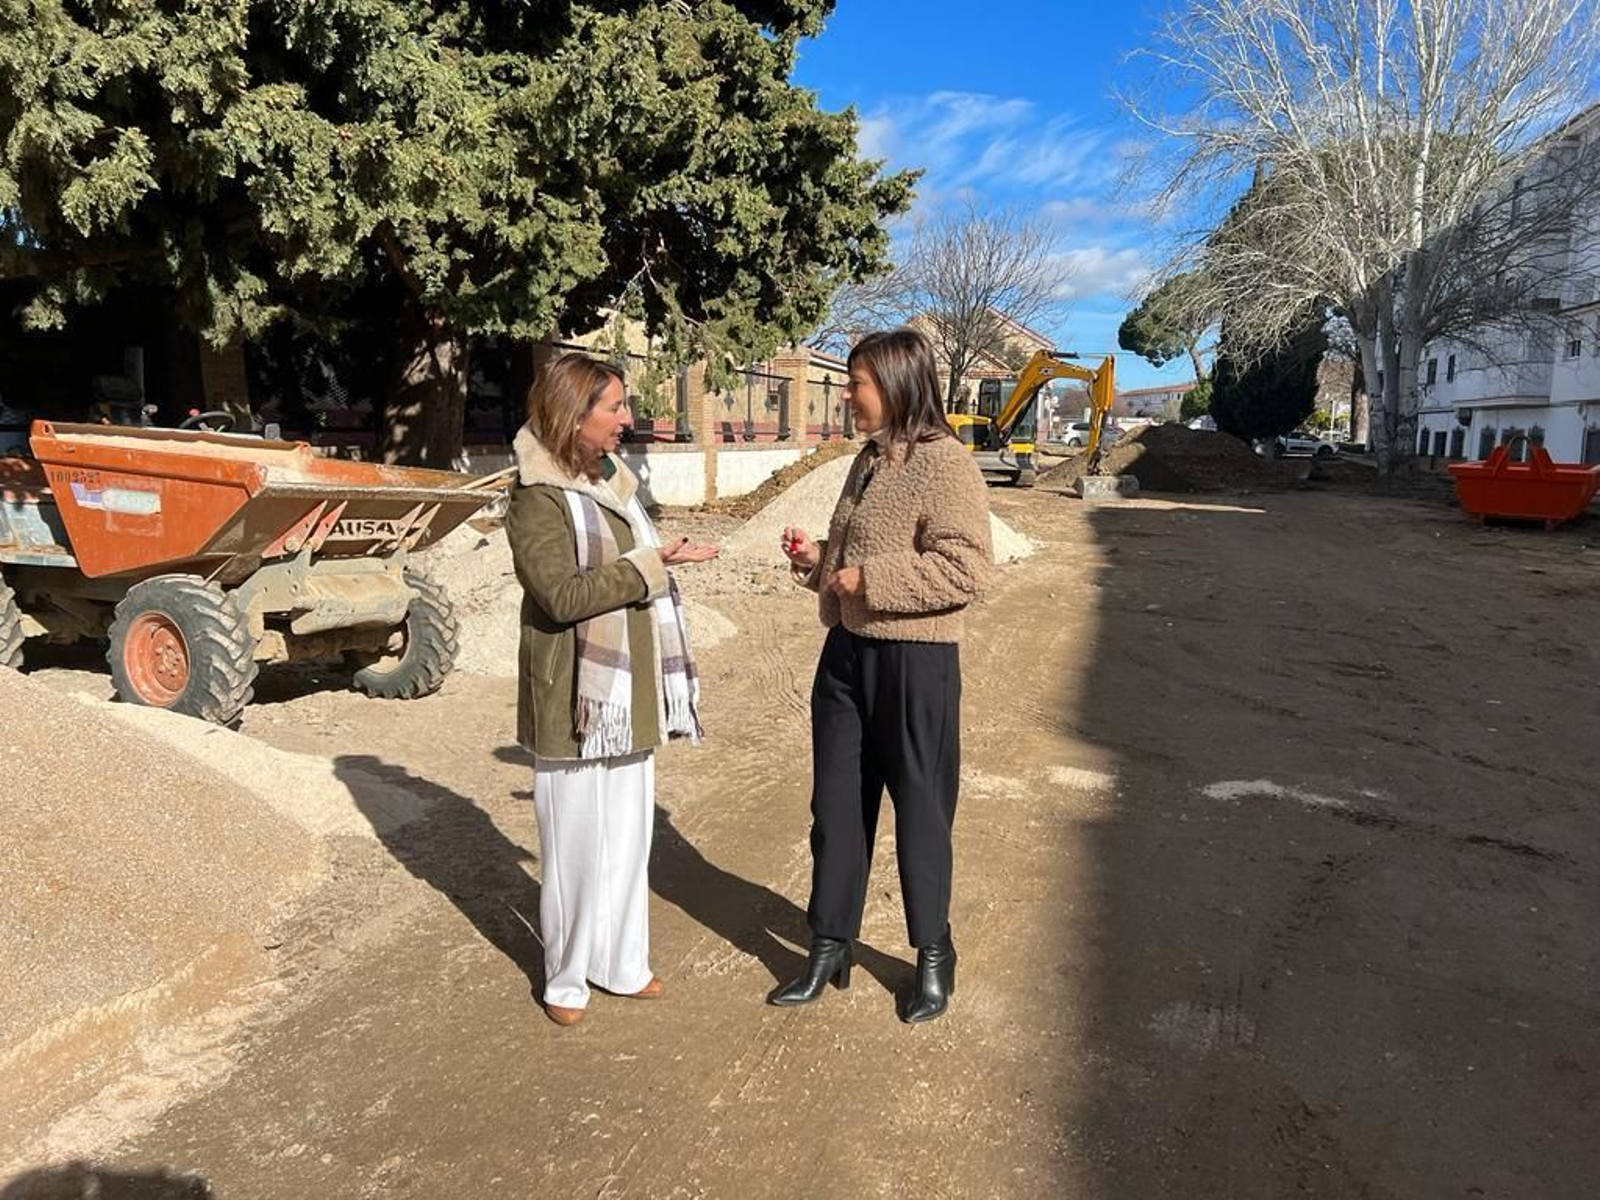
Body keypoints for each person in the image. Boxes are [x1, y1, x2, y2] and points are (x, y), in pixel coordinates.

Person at [770, 327, 993, 1023]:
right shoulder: (865, 461)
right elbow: (848, 567)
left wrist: (871, 577)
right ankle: (829, 946)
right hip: (846, 656)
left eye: (855, 385)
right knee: (835, 810)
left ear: (895, 384)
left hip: (915, 661)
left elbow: (967, 570)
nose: (846, 397)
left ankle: (932, 954)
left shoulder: (946, 464)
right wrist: (817, 563)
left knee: (921, 814)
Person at [506, 353, 718, 1026]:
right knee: (572, 845)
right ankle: (566, 980)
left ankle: (620, 964)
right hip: (572, 695)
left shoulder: (614, 483)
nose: (629, 418)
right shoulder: (537, 496)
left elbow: (632, 569)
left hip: (628, 696)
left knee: (627, 836)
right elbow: (562, 595)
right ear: (575, 415)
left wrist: (660, 560)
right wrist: (652, 567)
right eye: (615, 407)